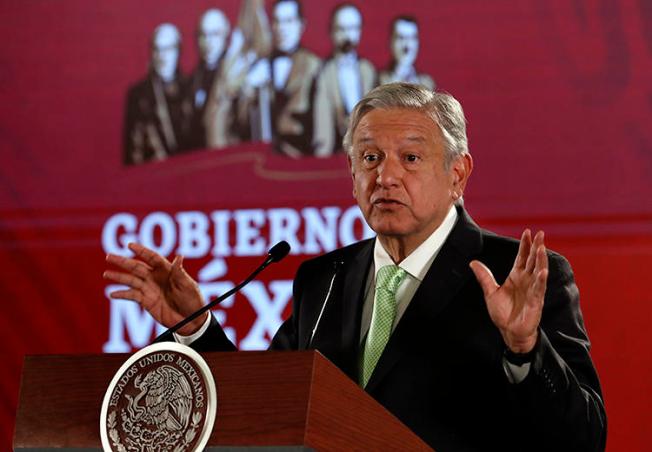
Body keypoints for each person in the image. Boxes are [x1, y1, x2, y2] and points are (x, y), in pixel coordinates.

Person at [105, 83, 606, 451]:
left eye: (410, 158)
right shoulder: (324, 278)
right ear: (351, 174)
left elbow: (584, 438)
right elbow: (268, 403)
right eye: (369, 158)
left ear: (458, 174)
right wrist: (196, 329)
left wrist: (523, 349)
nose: (385, 176)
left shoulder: (513, 275)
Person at [237, 0, 322, 157]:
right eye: (277, 21)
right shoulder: (260, 65)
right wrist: (249, 87)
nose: (282, 28)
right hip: (263, 160)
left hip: (302, 158)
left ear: (301, 25)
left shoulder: (314, 66)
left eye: (288, 21)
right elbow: (240, 123)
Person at [313, 3, 376, 157]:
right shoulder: (323, 74)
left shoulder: (368, 71)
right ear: (331, 32)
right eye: (342, 29)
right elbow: (323, 130)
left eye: (353, 28)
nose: (348, 36)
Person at [123, 23, 191, 165]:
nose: (162, 56)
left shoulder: (191, 87)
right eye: (157, 50)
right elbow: (134, 151)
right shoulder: (138, 95)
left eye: (168, 49)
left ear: (178, 51)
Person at [186, 9, 231, 150]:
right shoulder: (193, 79)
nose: (208, 42)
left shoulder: (236, 74)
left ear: (225, 35)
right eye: (203, 35)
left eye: (215, 34)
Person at [379, 16, 435, 89]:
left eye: (412, 38)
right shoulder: (379, 79)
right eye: (401, 38)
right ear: (391, 42)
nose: (407, 46)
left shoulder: (426, 82)